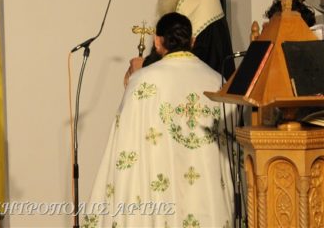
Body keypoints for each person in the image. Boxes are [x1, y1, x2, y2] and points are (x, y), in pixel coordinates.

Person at [86, 12, 233, 227]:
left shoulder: (143, 81)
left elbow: (126, 141)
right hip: (206, 187)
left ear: (157, 41)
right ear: (192, 41)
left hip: (160, 186)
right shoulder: (218, 81)